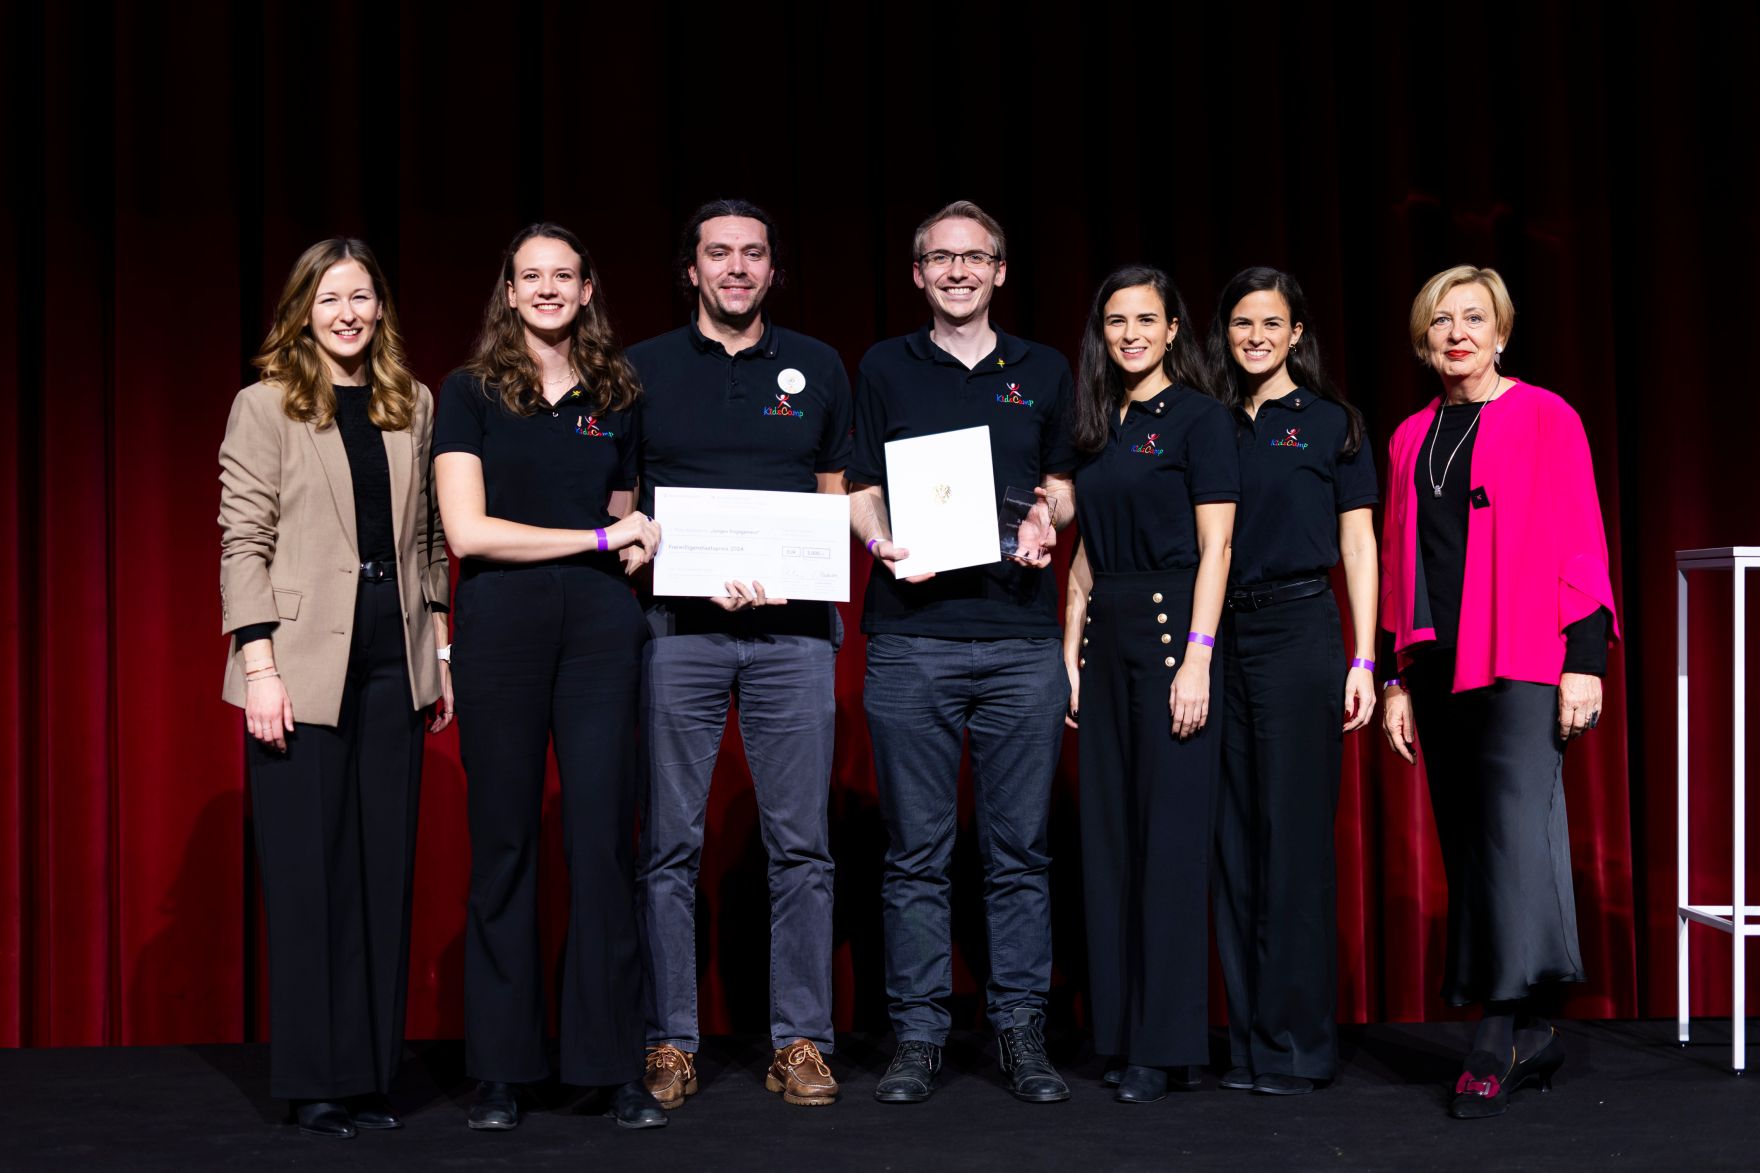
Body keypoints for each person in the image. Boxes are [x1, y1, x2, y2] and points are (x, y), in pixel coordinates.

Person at [433, 222, 665, 1131]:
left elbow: (628, 513)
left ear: (587, 288)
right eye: (530, 276)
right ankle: (502, 1069)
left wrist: (634, 541)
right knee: (505, 841)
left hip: (603, 627)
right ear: (509, 289)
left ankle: (610, 1066)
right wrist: (603, 537)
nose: (547, 289)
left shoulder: (617, 391)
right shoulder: (470, 391)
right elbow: (469, 532)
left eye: (562, 275)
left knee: (604, 841)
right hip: (503, 623)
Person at [218, 237, 452, 1139]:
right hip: (299, 665)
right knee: (310, 876)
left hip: (396, 657)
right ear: (302, 313)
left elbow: (428, 537)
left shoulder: (411, 401)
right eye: (329, 300)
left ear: (380, 307)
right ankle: (316, 1081)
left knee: (383, 872)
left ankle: (368, 1075)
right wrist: (260, 666)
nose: (347, 313)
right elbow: (242, 541)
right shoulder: (265, 404)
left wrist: (439, 649)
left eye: (360, 297)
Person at [848, 199, 1075, 1105]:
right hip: (912, 640)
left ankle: (1021, 1029)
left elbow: (1063, 483)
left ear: (999, 271)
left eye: (974, 258)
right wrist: (880, 541)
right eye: (940, 259)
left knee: (1020, 851)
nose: (957, 271)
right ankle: (918, 1034)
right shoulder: (883, 366)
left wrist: (1046, 516)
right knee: (916, 853)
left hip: (1021, 639)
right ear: (918, 274)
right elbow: (858, 483)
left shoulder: (1044, 369)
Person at [1378, 265, 1617, 1119]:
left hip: (1523, 654)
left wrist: (1583, 657)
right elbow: (1398, 558)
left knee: (1515, 835)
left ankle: (1497, 1034)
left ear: (1502, 332)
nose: (1458, 333)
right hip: (1436, 663)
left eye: (1474, 318)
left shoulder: (1548, 415)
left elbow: (1582, 535)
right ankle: (1531, 1030)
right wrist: (1394, 677)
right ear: (1424, 337)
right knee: (1471, 845)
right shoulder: (1410, 435)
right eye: (1442, 320)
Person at [628, 199, 851, 1109]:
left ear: (772, 269)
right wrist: (668, 562)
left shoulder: (819, 365)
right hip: (678, 630)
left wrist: (810, 566)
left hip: (793, 634)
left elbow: (834, 496)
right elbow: (620, 506)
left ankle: (800, 1039)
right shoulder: (640, 368)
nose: (735, 267)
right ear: (691, 269)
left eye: (752, 253)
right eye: (718, 253)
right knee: (669, 842)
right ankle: (670, 1040)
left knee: (802, 845)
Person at [1061, 265, 1237, 1104]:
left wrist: (1198, 656)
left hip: (1173, 633)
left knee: (1168, 847)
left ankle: (1166, 1047)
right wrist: (1070, 650)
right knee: (1109, 842)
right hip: (1107, 636)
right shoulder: (1097, 422)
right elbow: (1085, 552)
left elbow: (1217, 547)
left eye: (1146, 319)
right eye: (1116, 321)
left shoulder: (1201, 418)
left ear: (1173, 330)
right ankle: (1123, 1033)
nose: (1130, 334)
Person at [1204, 267, 1378, 1096]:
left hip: (1300, 630)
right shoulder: (1204, 419)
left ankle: (1299, 1046)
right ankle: (1248, 1044)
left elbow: (1359, 544)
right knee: (1232, 843)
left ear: (1297, 332)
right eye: (1243, 323)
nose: (1256, 337)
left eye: (1271, 323)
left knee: (1295, 841)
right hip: (1216, 637)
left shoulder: (1331, 422)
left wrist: (1364, 658)